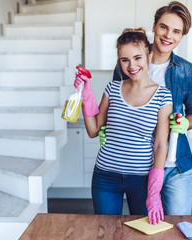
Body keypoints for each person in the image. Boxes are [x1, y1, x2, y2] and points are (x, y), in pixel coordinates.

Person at [101, 1, 192, 215]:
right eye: (164, 27)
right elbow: (114, 107)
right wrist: (105, 129)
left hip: (176, 165)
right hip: (140, 165)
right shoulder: (128, 64)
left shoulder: (187, 70)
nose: (168, 35)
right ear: (154, 26)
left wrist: (186, 123)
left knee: (177, 224)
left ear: (182, 36)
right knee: (142, 225)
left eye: (176, 31)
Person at [74, 28, 173, 224]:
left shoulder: (163, 95)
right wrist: (85, 94)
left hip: (142, 179)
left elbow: (161, 145)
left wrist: (154, 192)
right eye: (124, 59)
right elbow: (93, 130)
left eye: (137, 58)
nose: (132, 65)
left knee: (144, 232)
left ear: (149, 56)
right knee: (106, 230)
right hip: (105, 176)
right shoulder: (112, 88)